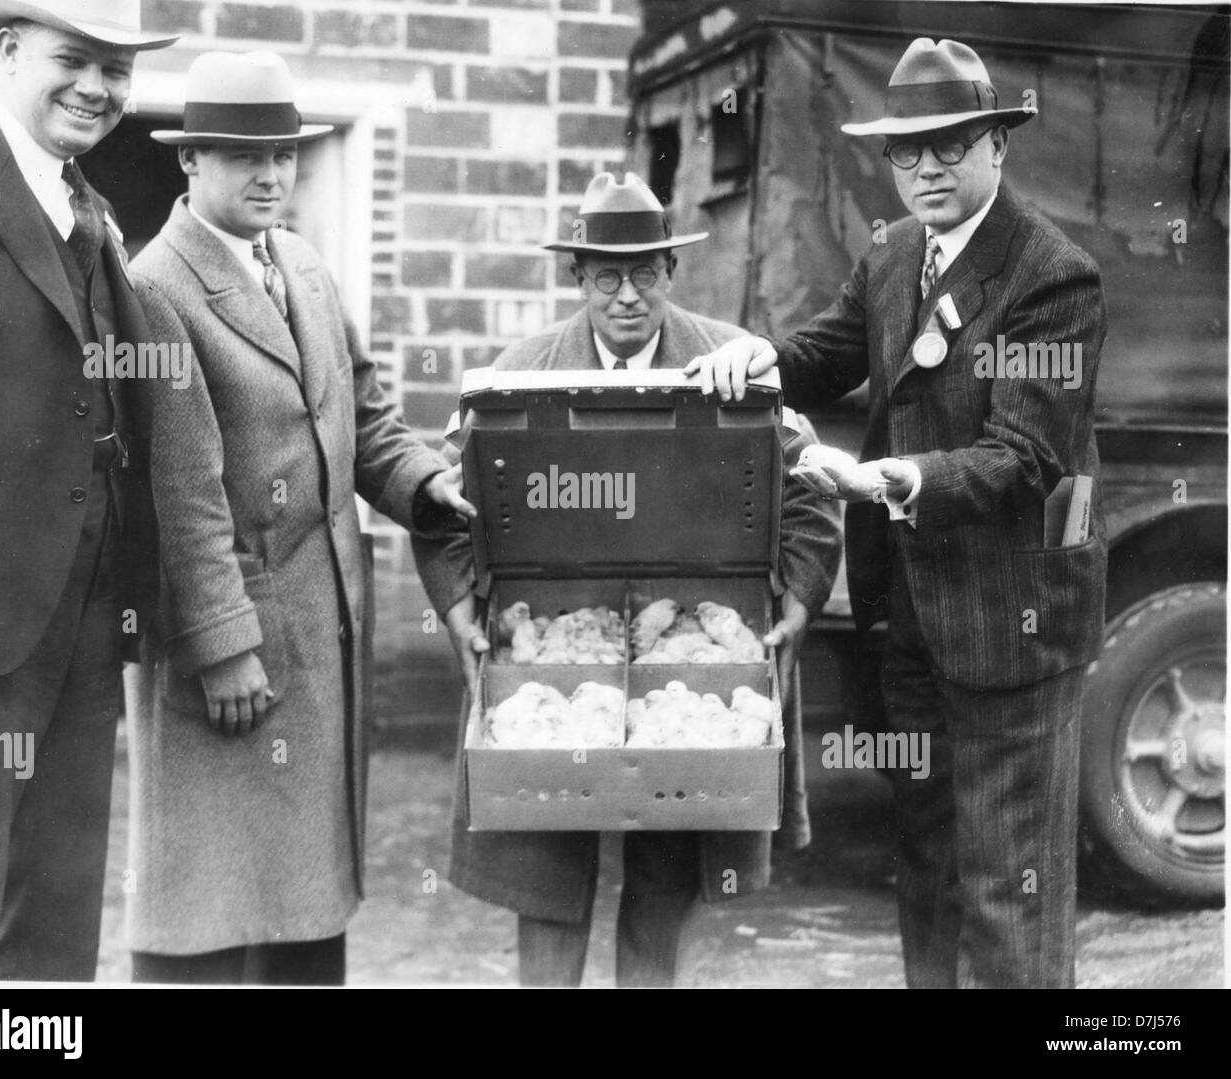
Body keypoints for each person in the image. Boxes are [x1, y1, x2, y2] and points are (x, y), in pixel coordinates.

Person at [688, 38, 1108, 989]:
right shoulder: (894, 254)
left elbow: (1023, 459)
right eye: (906, 151)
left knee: (1011, 889)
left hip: (1013, 622)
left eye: (950, 145)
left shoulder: (1054, 277)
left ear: (998, 145)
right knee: (926, 867)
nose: (926, 169)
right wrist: (753, 358)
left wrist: (879, 480)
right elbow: (824, 352)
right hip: (913, 616)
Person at [414, 172, 843, 987]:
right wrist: (462, 605)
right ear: (578, 278)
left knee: (668, 873)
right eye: (606, 275)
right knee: (543, 870)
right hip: (547, 635)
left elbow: (811, 486)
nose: (626, 295)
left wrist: (796, 594)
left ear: (670, 275)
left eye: (646, 272)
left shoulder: (731, 362)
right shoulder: (522, 372)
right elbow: (447, 502)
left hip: (691, 632)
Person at [124, 50, 473, 985]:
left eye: (282, 152)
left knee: (306, 905)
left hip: (318, 633)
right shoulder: (156, 287)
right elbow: (180, 491)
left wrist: (421, 483)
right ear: (190, 163)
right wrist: (224, 642)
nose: (270, 173)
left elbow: (365, 413)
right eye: (243, 155)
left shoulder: (303, 264)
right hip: (228, 647)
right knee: (203, 905)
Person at [0, 0, 177, 981]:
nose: (98, 87)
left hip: (88, 607)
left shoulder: (93, 208)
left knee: (62, 893)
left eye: (117, 69)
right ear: (6, 50)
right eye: (74, 59)